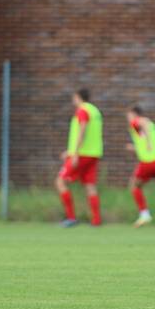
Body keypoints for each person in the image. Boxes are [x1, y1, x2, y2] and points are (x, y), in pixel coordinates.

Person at [56, 88, 103, 227]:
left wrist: (75, 153)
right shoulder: (95, 111)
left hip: (82, 154)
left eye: (74, 97)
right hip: (93, 153)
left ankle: (71, 218)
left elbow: (83, 129)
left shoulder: (82, 110)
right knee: (90, 186)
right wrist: (69, 151)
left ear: (78, 97)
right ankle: (96, 220)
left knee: (60, 182)